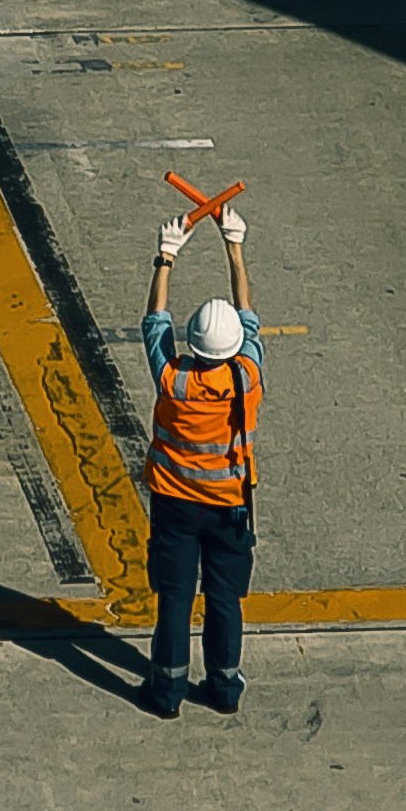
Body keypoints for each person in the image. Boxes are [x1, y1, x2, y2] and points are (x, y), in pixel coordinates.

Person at [136, 199, 260, 716]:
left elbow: (153, 322)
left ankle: (166, 693)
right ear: (232, 348)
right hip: (231, 507)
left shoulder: (174, 381)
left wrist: (166, 256)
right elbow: (248, 316)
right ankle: (225, 689)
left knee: (175, 599)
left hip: (176, 507)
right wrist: (235, 248)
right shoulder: (247, 378)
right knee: (226, 601)